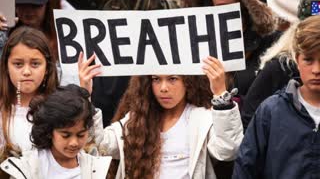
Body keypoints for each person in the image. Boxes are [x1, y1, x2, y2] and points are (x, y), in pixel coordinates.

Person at [78, 52, 244, 178]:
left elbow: (228, 150)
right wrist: (85, 94)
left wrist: (220, 94)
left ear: (188, 81)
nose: (163, 87)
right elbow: (98, 145)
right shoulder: (136, 120)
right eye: (156, 79)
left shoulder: (202, 119)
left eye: (172, 79)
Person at [233, 15, 320, 179]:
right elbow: (246, 168)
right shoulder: (271, 111)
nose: (316, 69)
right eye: (309, 60)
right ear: (296, 59)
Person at [0, 84, 112, 179]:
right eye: (66, 135)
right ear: (49, 131)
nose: (74, 142)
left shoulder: (96, 167)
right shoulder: (29, 166)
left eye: (80, 135)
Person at [0, 26, 59, 155]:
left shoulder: (59, 109)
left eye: (35, 64)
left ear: (48, 68)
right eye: (18, 64)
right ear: (6, 67)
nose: (26, 72)